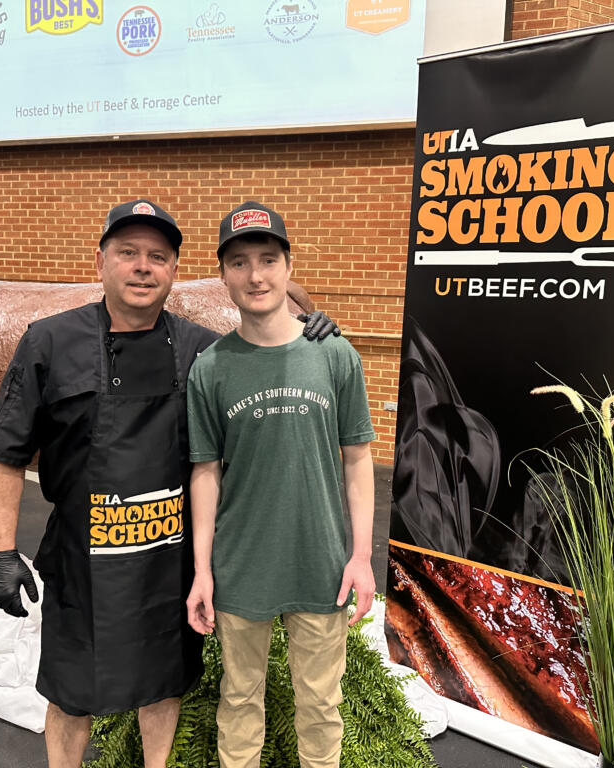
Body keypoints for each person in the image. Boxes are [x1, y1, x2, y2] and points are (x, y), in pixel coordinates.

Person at [0, 199, 338, 768]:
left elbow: (259, 357)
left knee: (162, 685)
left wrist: (310, 335)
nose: (143, 267)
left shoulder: (201, 350)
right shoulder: (48, 343)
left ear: (174, 270)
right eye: (129, 254)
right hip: (83, 561)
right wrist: (0, 551)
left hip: (167, 565)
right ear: (101, 262)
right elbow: (3, 455)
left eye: (158, 257)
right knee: (70, 694)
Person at [185, 201, 376, 768]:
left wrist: (361, 556)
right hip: (240, 565)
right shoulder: (211, 368)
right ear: (223, 276)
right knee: (239, 700)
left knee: (321, 705)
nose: (256, 275)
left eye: (268, 259)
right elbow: (204, 472)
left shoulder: (334, 354)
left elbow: (358, 461)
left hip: (320, 564)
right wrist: (202, 570)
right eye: (239, 263)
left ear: (289, 267)